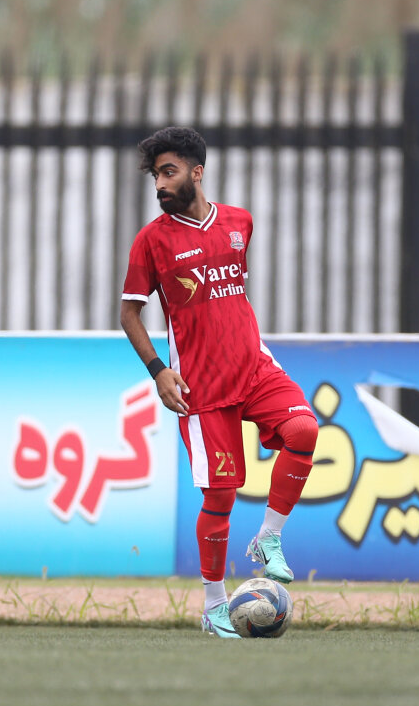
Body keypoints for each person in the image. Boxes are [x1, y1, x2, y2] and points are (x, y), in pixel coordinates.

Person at [119, 126, 318, 638]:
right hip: (202, 388)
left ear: (197, 171)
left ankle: (268, 539)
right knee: (221, 498)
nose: (161, 184)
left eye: (169, 172)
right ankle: (213, 605)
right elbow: (129, 313)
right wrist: (159, 371)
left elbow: (232, 297)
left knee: (304, 431)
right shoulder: (152, 241)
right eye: (156, 176)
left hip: (254, 367)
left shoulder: (239, 222)